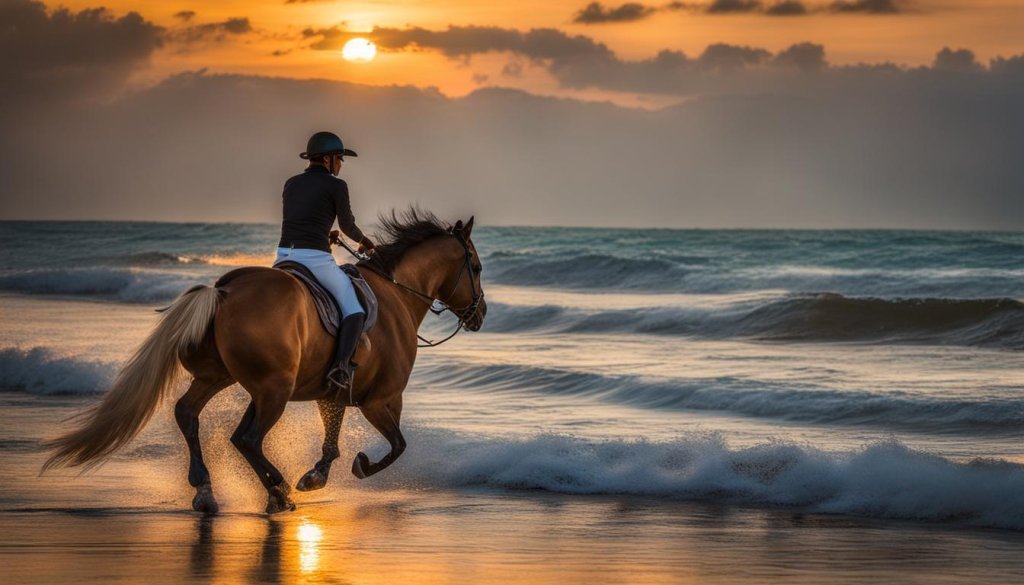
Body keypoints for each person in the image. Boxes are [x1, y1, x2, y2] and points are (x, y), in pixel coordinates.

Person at [276, 131, 376, 393]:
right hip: (315, 260)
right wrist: (366, 242)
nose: (341, 164)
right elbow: (347, 225)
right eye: (340, 159)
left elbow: (303, 218)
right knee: (354, 309)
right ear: (329, 159)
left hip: (284, 255)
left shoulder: (291, 183)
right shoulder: (336, 186)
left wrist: (324, 233)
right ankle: (341, 368)